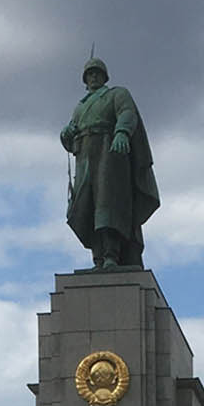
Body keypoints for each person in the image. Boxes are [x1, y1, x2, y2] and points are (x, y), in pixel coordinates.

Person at [60, 56, 160, 271]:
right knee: (88, 206)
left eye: (97, 73)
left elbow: (127, 113)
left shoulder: (116, 94)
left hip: (109, 153)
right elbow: (71, 133)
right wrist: (66, 135)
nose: (94, 77)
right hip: (85, 158)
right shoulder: (80, 107)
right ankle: (97, 259)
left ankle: (111, 256)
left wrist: (122, 132)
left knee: (108, 205)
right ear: (85, 80)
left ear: (104, 76)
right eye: (90, 74)